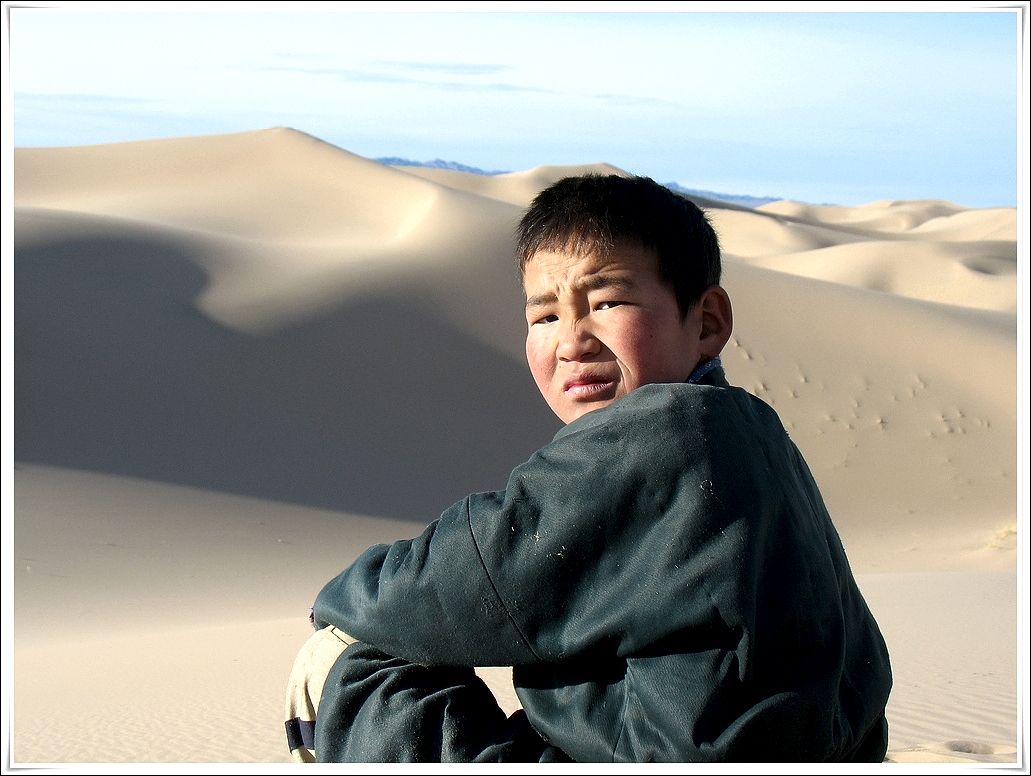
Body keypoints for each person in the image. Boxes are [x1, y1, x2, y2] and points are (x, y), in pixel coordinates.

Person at [284, 174, 892, 763]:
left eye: (608, 302)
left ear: (707, 321)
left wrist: (339, 606)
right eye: (545, 317)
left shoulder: (663, 433)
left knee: (355, 669)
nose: (573, 341)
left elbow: (469, 575)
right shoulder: (750, 432)